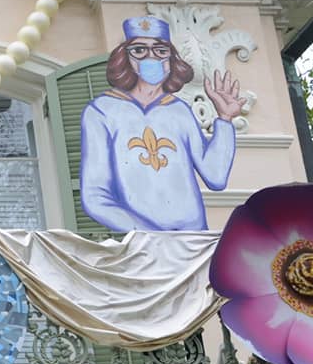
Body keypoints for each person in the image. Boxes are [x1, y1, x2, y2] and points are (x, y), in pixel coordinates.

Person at [79, 14, 245, 232]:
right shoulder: (101, 111)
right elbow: (95, 196)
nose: (151, 58)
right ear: (124, 58)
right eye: (139, 50)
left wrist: (224, 119)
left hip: (194, 239)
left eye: (160, 50)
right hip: (145, 245)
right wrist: (148, 235)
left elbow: (215, 177)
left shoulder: (179, 111)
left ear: (171, 58)